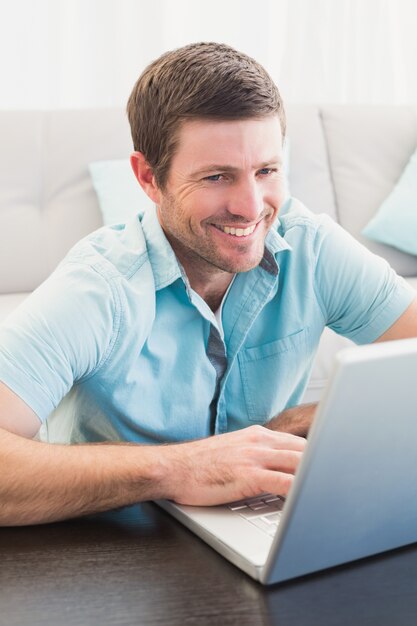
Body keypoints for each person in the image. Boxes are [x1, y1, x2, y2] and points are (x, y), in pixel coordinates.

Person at [0, 42, 416, 527]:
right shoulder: (99, 289)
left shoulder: (312, 248)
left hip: (266, 531)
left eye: (267, 170)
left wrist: (327, 417)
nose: (251, 206)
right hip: (114, 558)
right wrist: (178, 468)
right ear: (149, 178)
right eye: (217, 177)